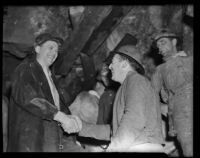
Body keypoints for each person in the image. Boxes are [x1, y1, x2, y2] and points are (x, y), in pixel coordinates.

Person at [76, 45, 165, 152]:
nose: (110, 67)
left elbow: (134, 118)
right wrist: (81, 127)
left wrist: (114, 147)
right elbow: (115, 130)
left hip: (141, 147)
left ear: (124, 64)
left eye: (113, 62)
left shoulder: (136, 81)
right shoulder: (126, 86)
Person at [7, 33, 84, 152]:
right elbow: (30, 98)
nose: (54, 53)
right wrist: (61, 117)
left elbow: (56, 106)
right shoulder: (25, 69)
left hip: (50, 137)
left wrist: (70, 117)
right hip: (31, 140)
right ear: (37, 48)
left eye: (56, 51)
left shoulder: (50, 76)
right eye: (50, 47)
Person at [151, 29, 193, 156]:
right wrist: (162, 107)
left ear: (174, 41)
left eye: (163, 42)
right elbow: (149, 95)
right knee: (189, 146)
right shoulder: (160, 70)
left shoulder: (191, 60)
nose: (160, 48)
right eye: (158, 46)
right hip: (181, 111)